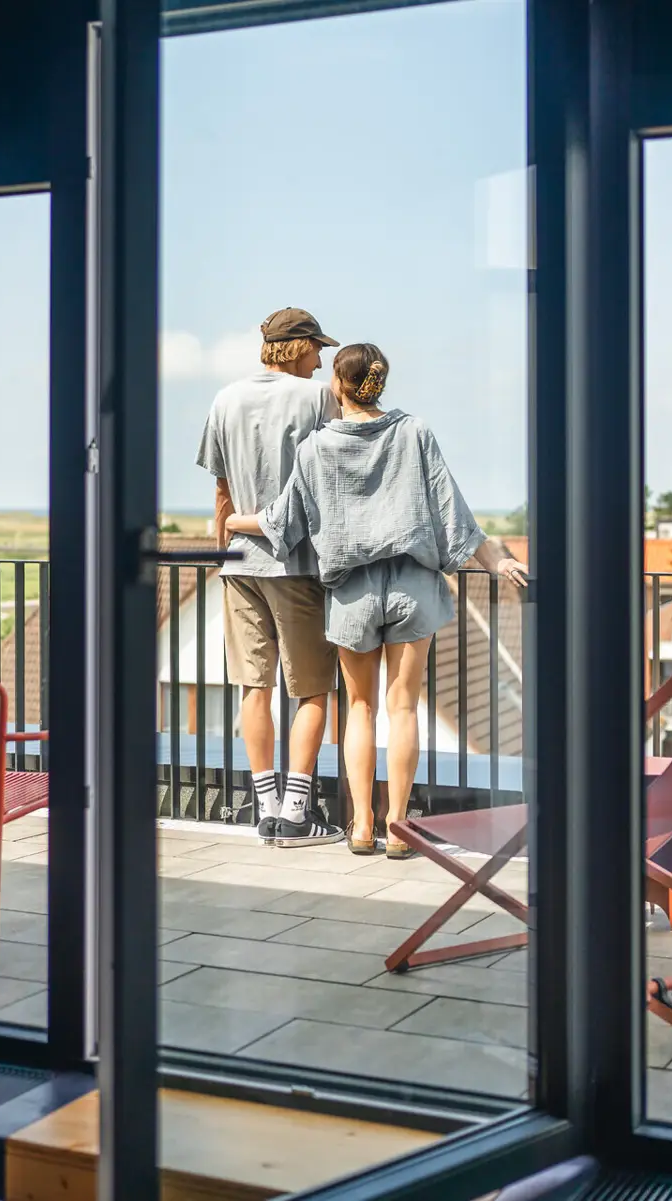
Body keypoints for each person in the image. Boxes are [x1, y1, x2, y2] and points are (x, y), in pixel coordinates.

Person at [225, 343, 529, 858]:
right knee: (403, 707)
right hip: (413, 588)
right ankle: (400, 826)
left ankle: (362, 825)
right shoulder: (414, 433)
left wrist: (234, 522)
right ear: (379, 382)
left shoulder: (317, 448)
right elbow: (455, 514)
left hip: (352, 593)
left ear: (337, 387)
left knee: (360, 708)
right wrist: (496, 562)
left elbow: (283, 522)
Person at [195, 307, 346, 847]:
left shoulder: (225, 398)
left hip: (240, 562)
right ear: (298, 346)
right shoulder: (318, 399)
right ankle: (298, 813)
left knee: (252, 685)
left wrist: (223, 557)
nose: (322, 357)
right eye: (317, 347)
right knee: (312, 689)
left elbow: (221, 493)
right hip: (297, 563)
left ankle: (264, 807)